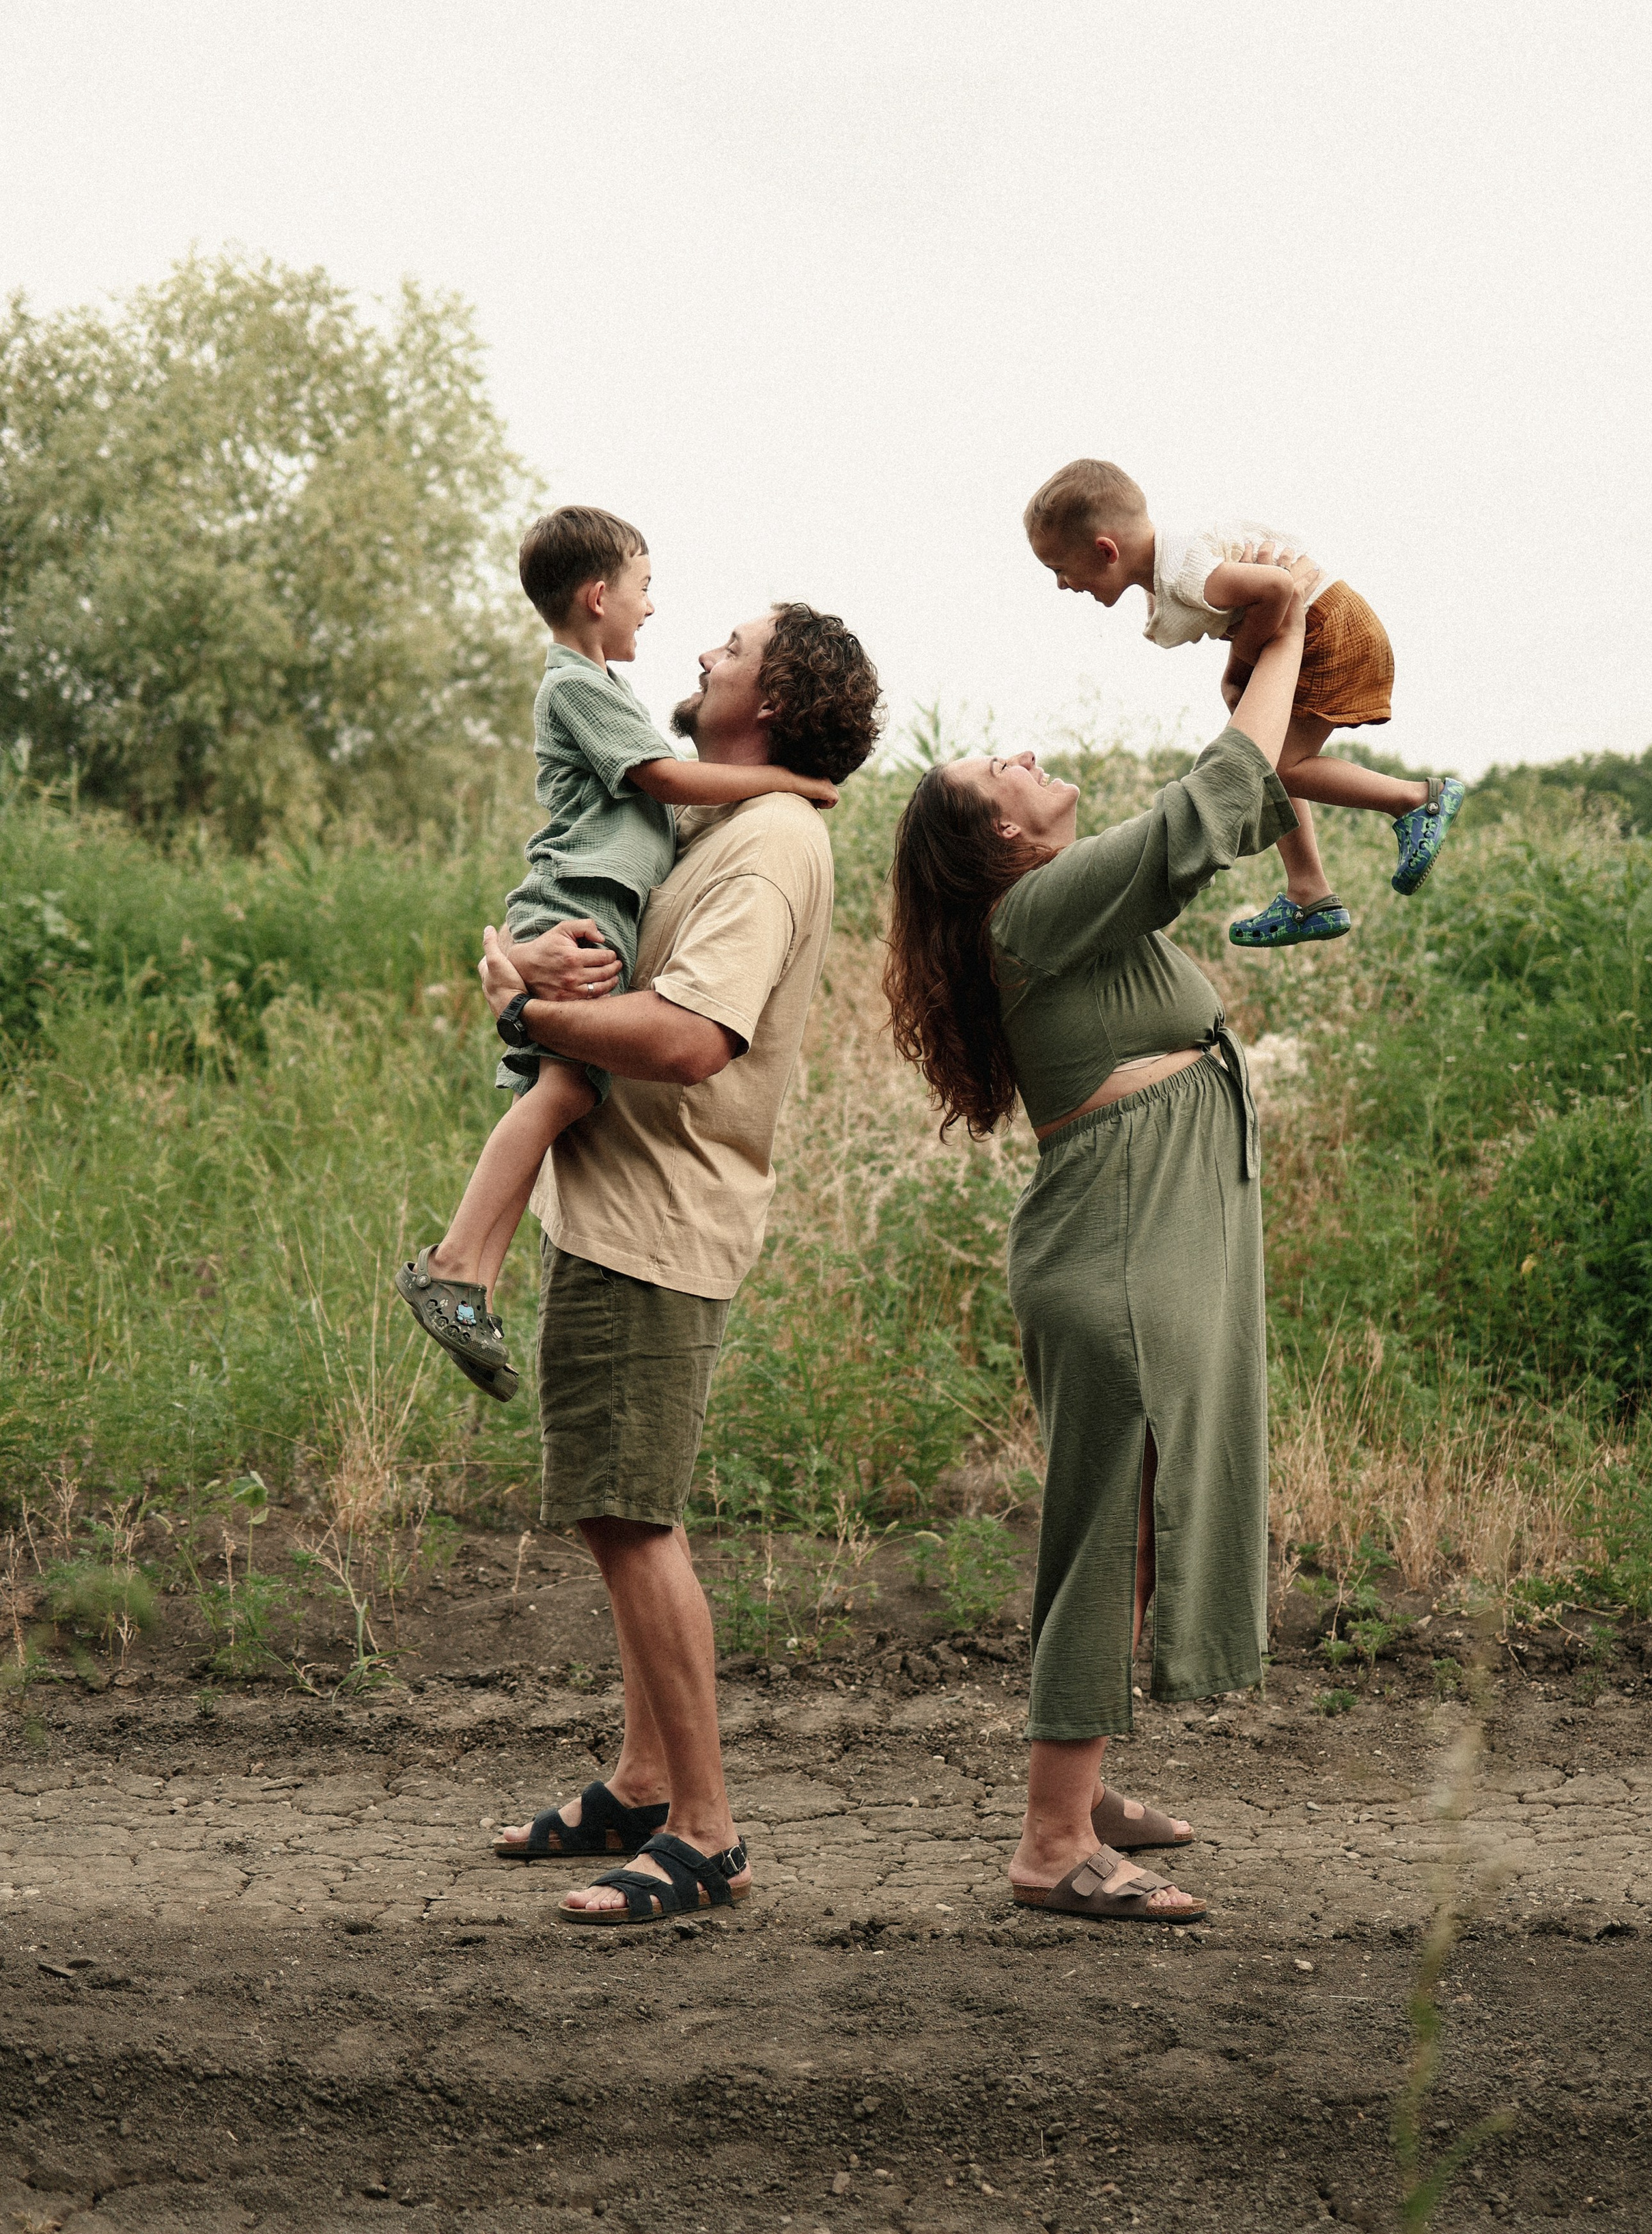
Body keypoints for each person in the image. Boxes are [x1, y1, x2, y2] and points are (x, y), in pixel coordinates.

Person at [882, 584, 1308, 1925]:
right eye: (993, 771)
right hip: (1117, 1253)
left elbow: (1241, 799)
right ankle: (1052, 1841)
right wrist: (1282, 631)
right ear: (996, 841)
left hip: (1139, 1236)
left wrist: (1255, 678)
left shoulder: (1064, 916)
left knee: (1123, 1536)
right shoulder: (1034, 911)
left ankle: (1085, 1778)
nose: (1018, 752)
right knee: (1106, 1533)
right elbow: (1198, 816)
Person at [486, 602, 882, 1927]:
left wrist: (525, 1011)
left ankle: (705, 1833)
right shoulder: (722, 825)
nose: (701, 652)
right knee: (624, 1504)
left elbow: (692, 1037)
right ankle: (642, 1782)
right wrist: (535, 962)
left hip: (656, 1218)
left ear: (768, 700)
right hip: (628, 1209)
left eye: (729, 645)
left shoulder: (767, 845)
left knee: (630, 1516)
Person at [395, 509, 839, 1401]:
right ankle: (452, 1264)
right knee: (558, 1090)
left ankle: (472, 1277)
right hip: (581, 905)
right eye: (643, 588)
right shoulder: (576, 686)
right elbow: (666, 779)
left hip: (603, 911)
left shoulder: (601, 686)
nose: (655, 609)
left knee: (561, 1094)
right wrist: (790, 780)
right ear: (599, 596)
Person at [1024, 457, 1466, 947]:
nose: (1062, 583)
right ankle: (1309, 890)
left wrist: (1242, 664)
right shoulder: (1172, 569)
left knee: (1276, 763)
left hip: (1328, 629)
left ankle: (1415, 800)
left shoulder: (1183, 574)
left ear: (1106, 550)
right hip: (1323, 624)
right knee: (1263, 751)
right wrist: (1240, 673)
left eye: (1059, 569)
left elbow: (1276, 588)